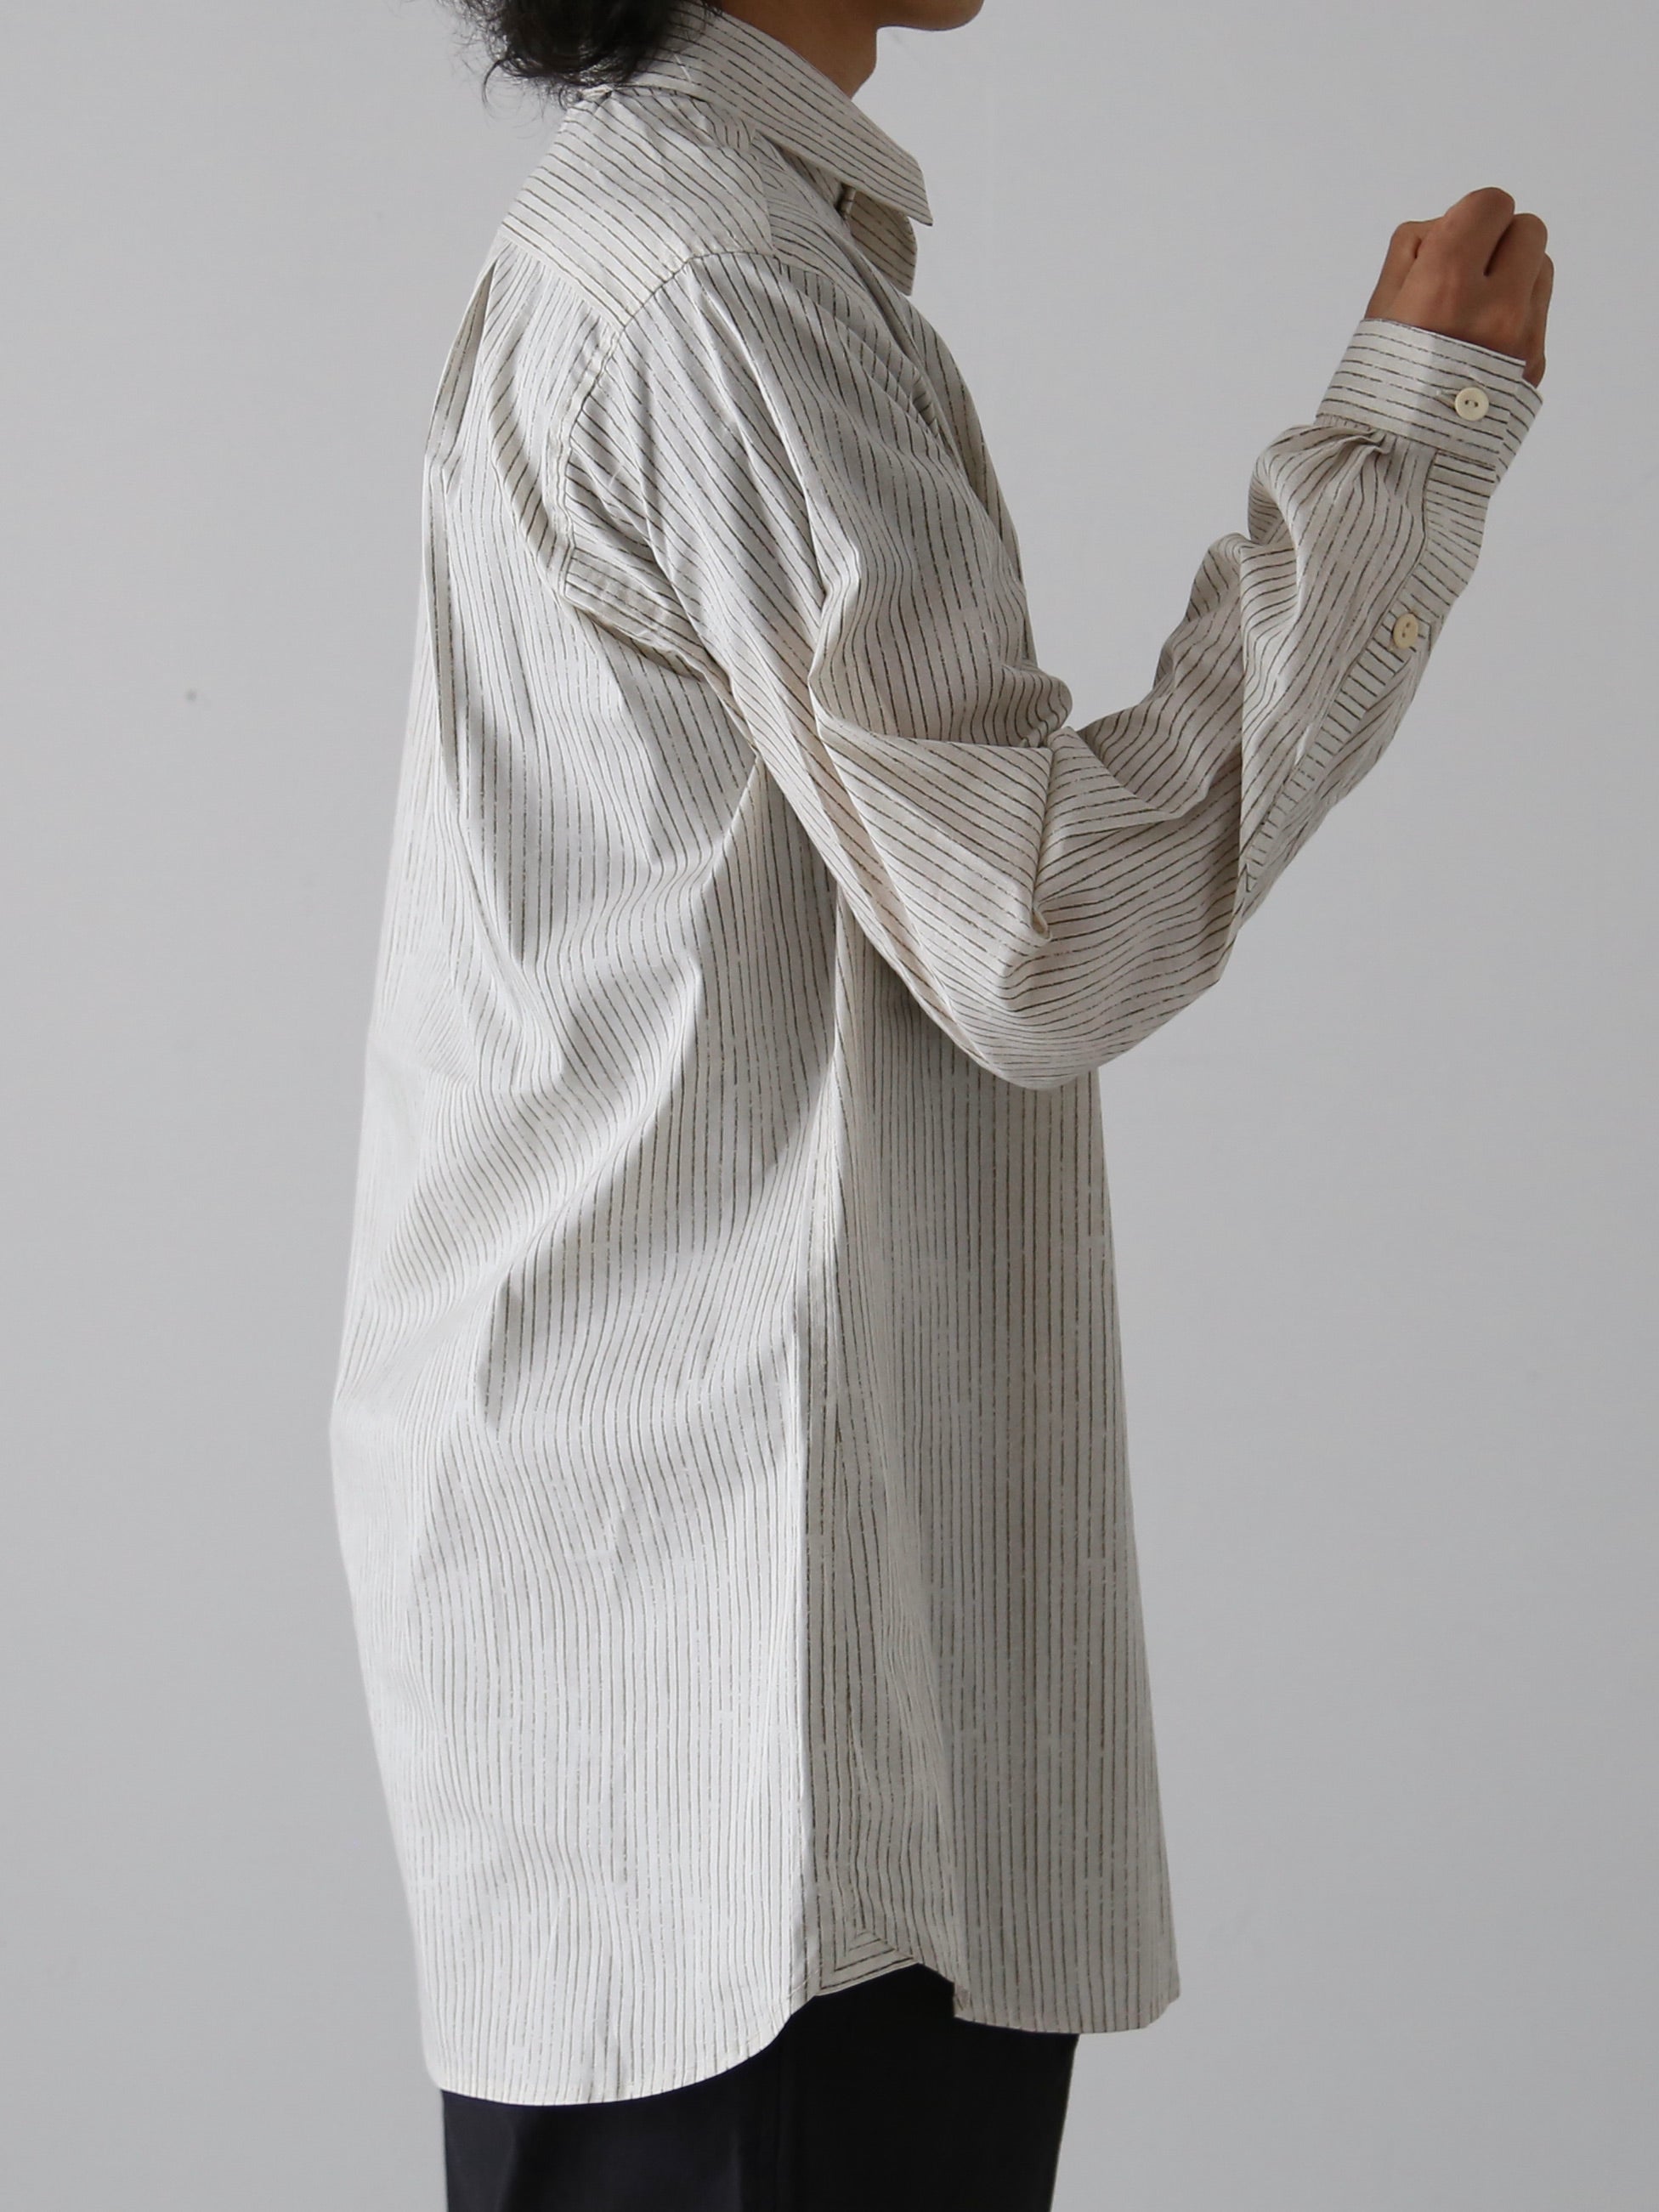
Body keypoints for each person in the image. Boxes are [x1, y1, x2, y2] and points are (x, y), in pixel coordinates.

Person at [327, 2, 1553, 2204]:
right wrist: (1402, 452)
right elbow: (1042, 936)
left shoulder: (681, 240)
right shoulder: (718, 280)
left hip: (714, 1639)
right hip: (753, 1673)